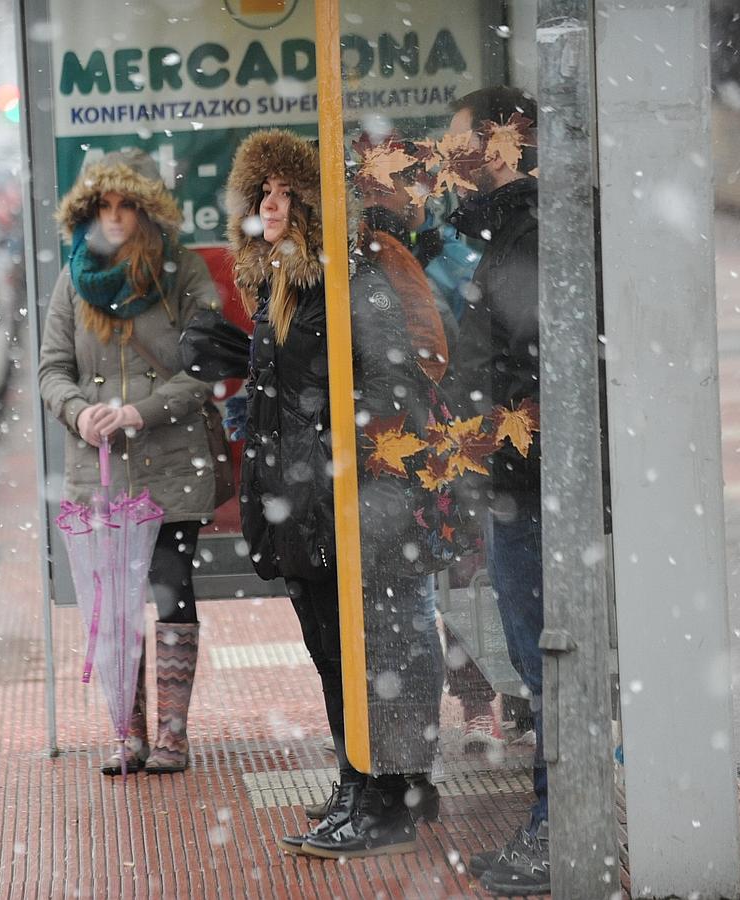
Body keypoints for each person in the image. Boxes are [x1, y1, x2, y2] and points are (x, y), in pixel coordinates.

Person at [219, 129, 445, 860]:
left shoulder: (347, 281)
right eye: (263, 192)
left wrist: (346, 469)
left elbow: (389, 385)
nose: (271, 204)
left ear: (314, 205)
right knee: (329, 649)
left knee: (364, 649)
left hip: (344, 500)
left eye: (286, 192)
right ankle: (358, 786)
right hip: (300, 499)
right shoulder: (278, 283)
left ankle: (381, 794)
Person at [38, 148, 222, 776]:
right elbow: (51, 369)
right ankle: (128, 729)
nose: (114, 218)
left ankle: (171, 733)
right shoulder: (73, 279)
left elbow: (207, 367)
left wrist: (142, 411)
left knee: (171, 588)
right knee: (114, 601)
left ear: (148, 209)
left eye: (126, 204)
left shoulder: (184, 272)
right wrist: (77, 410)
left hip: (169, 459)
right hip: (102, 469)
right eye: (103, 205)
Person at [360, 159, 507, 755]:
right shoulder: (376, 257)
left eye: (406, 186)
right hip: (419, 437)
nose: (404, 198)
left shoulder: (451, 254)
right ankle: (456, 705)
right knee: (433, 583)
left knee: (468, 580)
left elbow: (459, 342)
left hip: (454, 435)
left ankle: (484, 703)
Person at [443, 86, 550, 896]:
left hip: (534, 485)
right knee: (534, 654)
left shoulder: (529, 230)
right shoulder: (507, 228)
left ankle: (559, 826)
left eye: (458, 143)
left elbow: (532, 362)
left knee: (547, 659)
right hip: (520, 482)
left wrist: (485, 437)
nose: (448, 161)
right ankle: (554, 818)